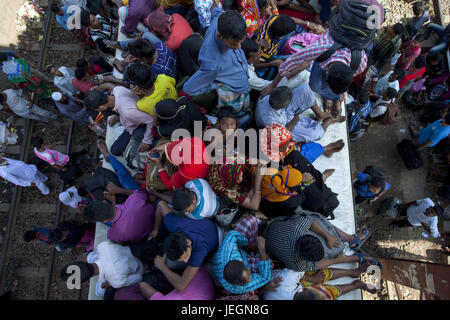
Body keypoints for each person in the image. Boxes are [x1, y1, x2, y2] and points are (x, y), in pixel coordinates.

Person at [262, 29, 369, 115]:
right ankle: (329, 96)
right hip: (327, 51)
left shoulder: (361, 62)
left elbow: (343, 80)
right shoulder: (320, 48)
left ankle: (335, 98)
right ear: (326, 72)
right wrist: (273, 85)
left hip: (344, 56)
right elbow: (288, 64)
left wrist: (336, 93)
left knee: (334, 87)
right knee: (314, 86)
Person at [183, 7, 251, 128]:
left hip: (241, 84)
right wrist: (216, 85)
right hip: (232, 92)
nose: (239, 47)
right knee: (235, 112)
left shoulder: (221, 19)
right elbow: (189, 88)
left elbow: (215, 10)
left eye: (241, 42)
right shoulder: (212, 64)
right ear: (220, 36)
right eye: (233, 44)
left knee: (243, 105)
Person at [259, 124, 339, 218]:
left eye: (287, 144)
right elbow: (280, 185)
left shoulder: (283, 149)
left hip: (294, 169)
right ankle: (322, 178)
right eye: (282, 147)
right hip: (292, 185)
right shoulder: (268, 162)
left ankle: (322, 175)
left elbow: (288, 148)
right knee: (312, 189)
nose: (285, 148)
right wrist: (301, 180)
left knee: (307, 154)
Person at [264, 208, 378, 273]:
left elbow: (311, 222)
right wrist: (337, 260)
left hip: (271, 229)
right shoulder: (298, 264)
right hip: (269, 235)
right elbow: (317, 264)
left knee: (318, 225)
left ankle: (351, 240)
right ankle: (353, 251)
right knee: (335, 249)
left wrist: (328, 237)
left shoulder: (298, 228)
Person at [148, 203, 220, 292]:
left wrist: (162, 266)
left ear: (188, 242)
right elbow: (161, 205)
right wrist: (155, 229)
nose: (186, 261)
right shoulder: (174, 224)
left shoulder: (199, 251)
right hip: (204, 226)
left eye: (185, 256)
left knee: (170, 264)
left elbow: (181, 285)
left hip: (217, 239)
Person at [256, 86, 345, 143]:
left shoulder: (267, 95)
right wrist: (295, 120)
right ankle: (327, 122)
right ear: (283, 105)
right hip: (285, 125)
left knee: (304, 90)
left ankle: (320, 114)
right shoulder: (270, 121)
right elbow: (285, 132)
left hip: (282, 111)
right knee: (315, 133)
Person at [213, 215, 276, 295]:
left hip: (239, 249)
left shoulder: (228, 248)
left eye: (249, 276)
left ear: (243, 262)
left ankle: (265, 225)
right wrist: (261, 249)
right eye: (246, 281)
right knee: (269, 265)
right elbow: (265, 277)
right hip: (243, 255)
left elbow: (232, 234)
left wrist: (249, 244)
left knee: (251, 221)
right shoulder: (237, 288)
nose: (250, 281)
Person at [61, 240, 145, 298]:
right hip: (134, 253)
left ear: (84, 282)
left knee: (99, 292)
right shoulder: (103, 246)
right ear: (82, 261)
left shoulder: (117, 282)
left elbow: (139, 277)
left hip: (140, 267)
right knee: (91, 257)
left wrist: (110, 283)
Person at [83, 86, 154, 154]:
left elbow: (151, 120)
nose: (99, 111)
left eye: (97, 109)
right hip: (132, 115)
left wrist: (146, 141)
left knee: (115, 151)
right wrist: (118, 117)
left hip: (137, 126)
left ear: (101, 106)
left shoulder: (127, 113)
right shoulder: (117, 89)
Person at [83, 188, 155, 244]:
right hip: (157, 215)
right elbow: (143, 191)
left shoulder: (113, 235)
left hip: (150, 236)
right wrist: (120, 191)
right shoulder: (134, 199)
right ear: (104, 202)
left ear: (105, 221)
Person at [264, 266, 377, 300]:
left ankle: (352, 272)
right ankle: (356, 285)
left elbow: (297, 269)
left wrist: (314, 280)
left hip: (289, 279)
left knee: (318, 273)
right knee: (328, 294)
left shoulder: (285, 280)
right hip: (294, 285)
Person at [106, 38, 178, 81]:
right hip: (175, 66)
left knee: (132, 66)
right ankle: (122, 63)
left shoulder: (154, 71)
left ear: (143, 59)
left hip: (174, 78)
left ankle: (122, 65)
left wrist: (136, 62)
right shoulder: (160, 46)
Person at [149, 179, 219, 220]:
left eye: (187, 211)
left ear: (194, 200)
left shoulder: (199, 214)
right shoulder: (196, 183)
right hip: (213, 199)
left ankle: (156, 193)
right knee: (177, 200)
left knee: (171, 208)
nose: (186, 213)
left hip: (212, 213)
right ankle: (156, 193)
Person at [139, 266, 216, 300]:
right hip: (197, 273)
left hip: (208, 284)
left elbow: (142, 285)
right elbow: (142, 285)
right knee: (148, 279)